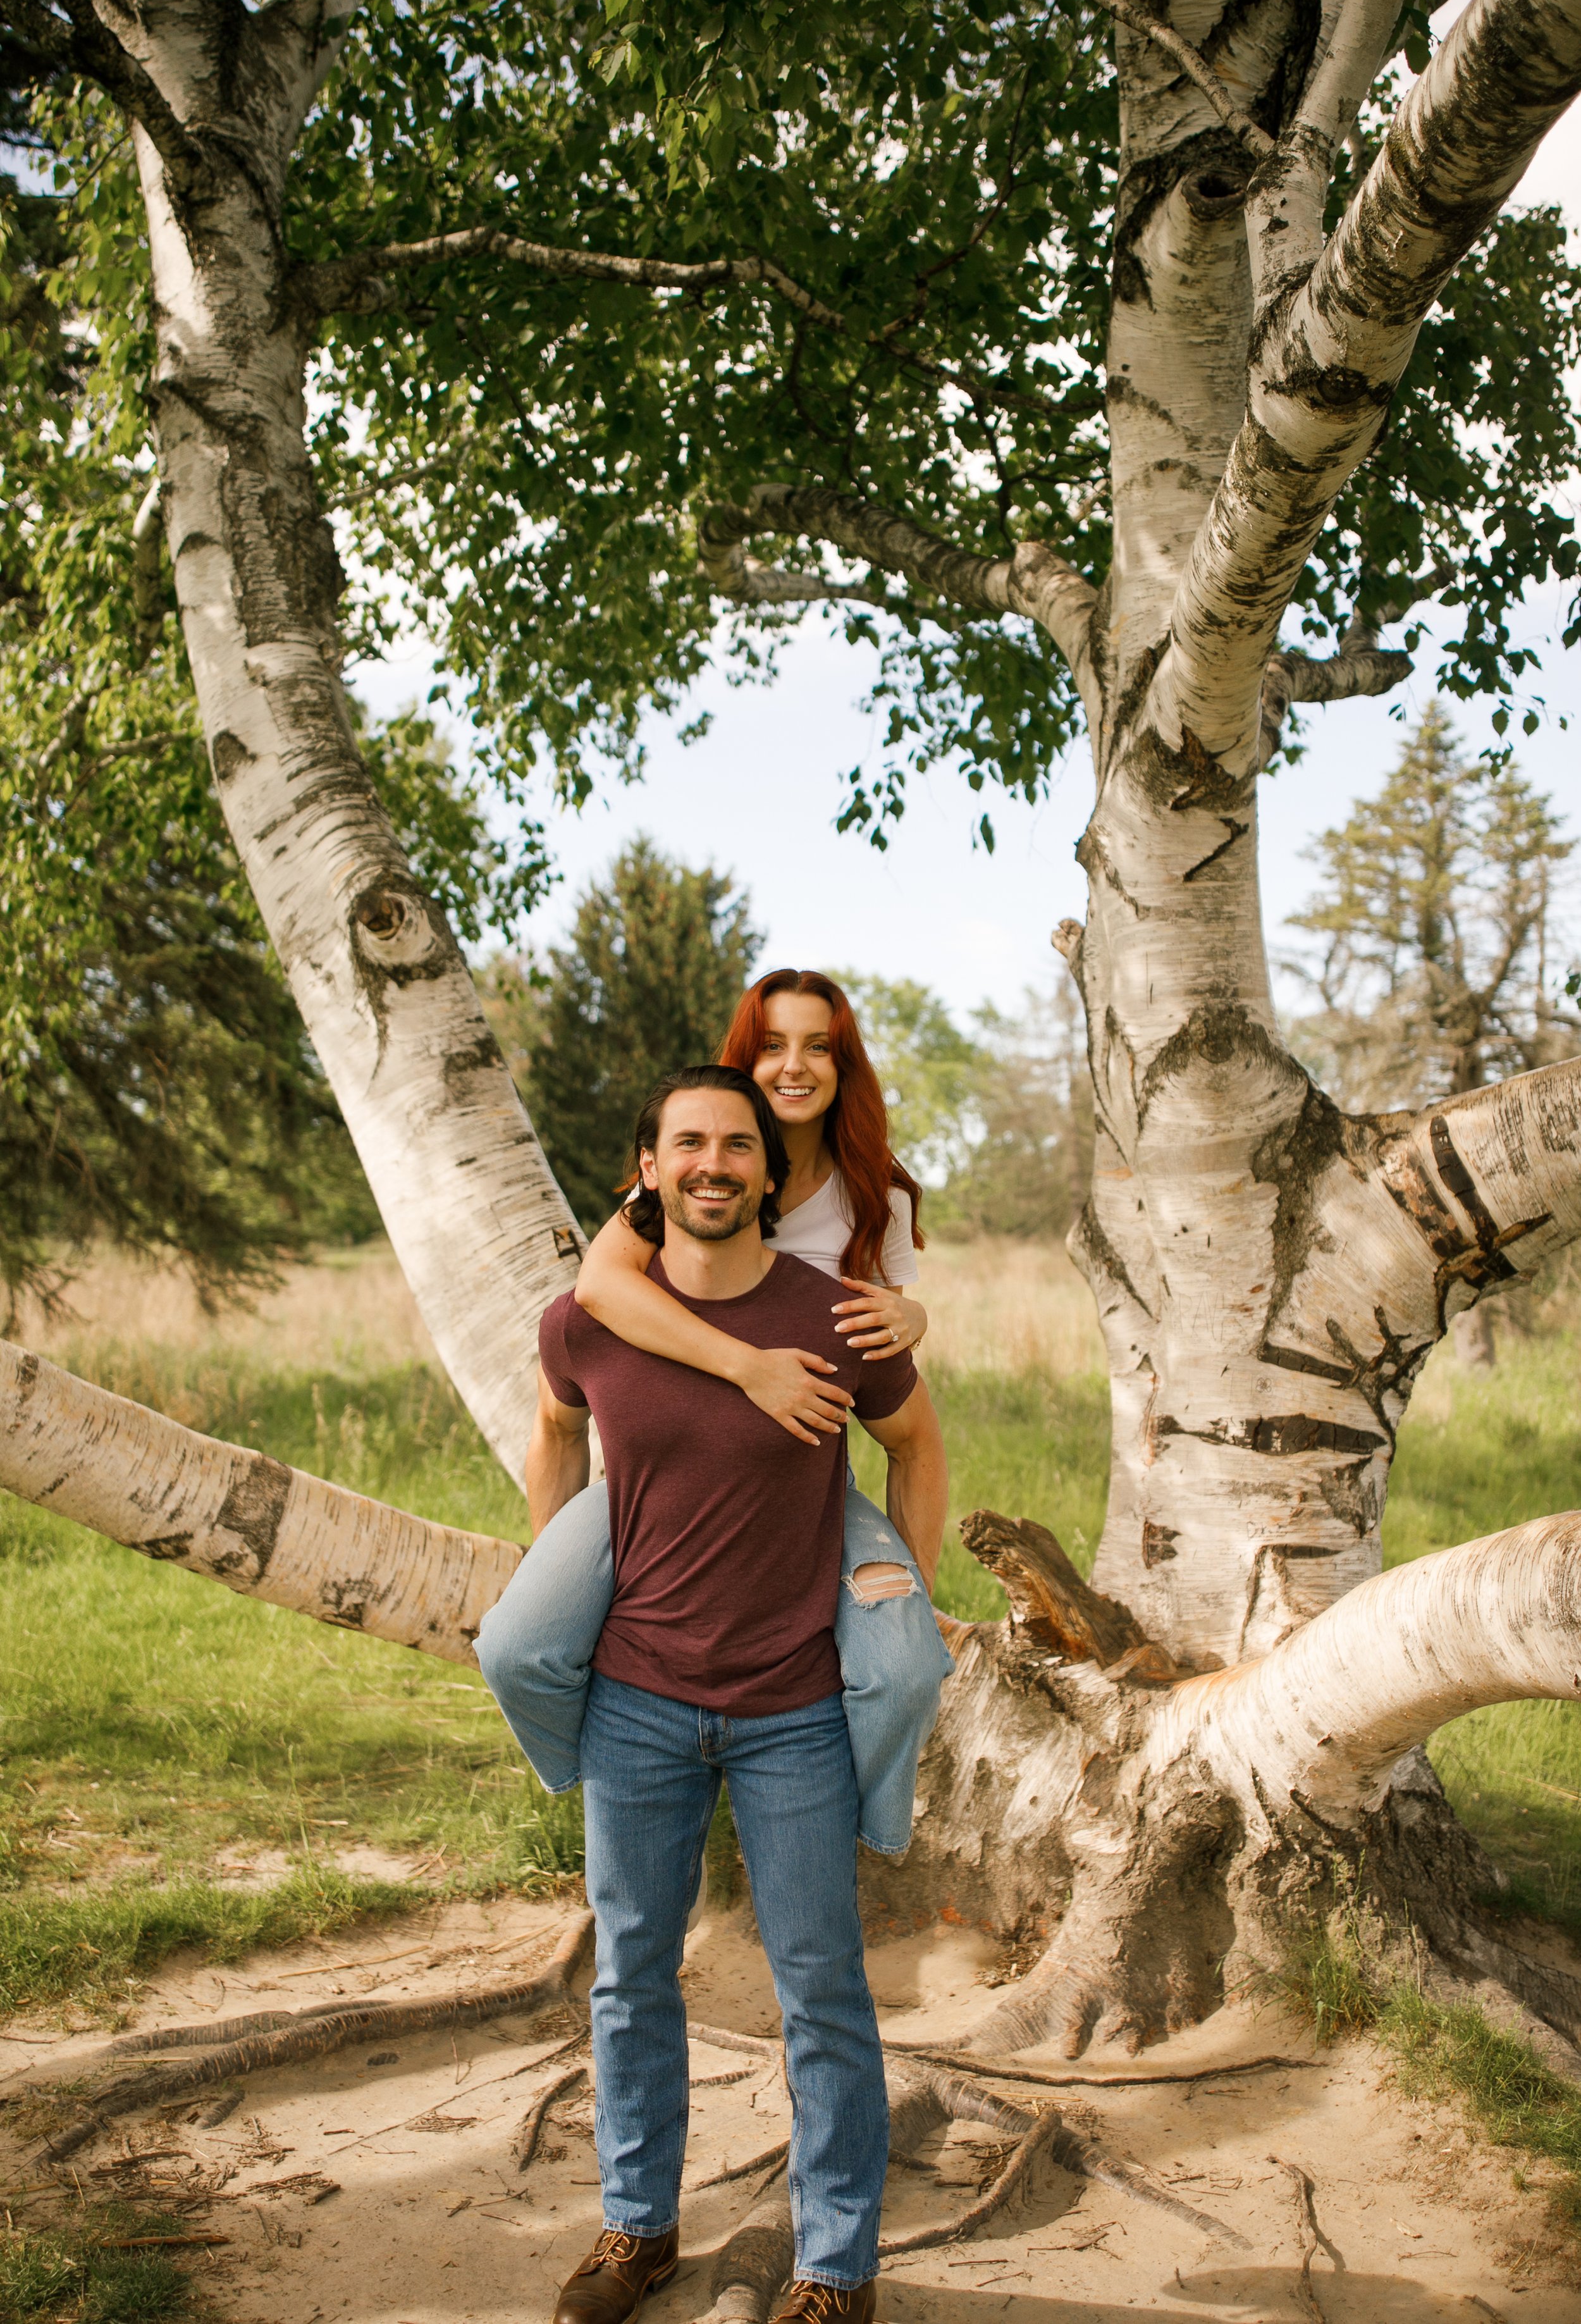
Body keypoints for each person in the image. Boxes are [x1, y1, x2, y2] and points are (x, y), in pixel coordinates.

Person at [502, 1065, 948, 2324]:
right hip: (635, 1701)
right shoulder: (586, 1319)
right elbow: (554, 1427)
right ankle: (635, 2231)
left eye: (736, 1147)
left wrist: (896, 1582)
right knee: (632, 1966)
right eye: (686, 1144)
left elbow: (913, 1445)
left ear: (768, 1173)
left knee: (820, 1982)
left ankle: (834, 2269)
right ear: (645, 1171)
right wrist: (560, 1566)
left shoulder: (835, 1317)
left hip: (793, 1706)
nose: (712, 1165)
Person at [476, 970, 955, 1857]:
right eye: (773, 1044)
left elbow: (887, 1354)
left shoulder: (874, 1196)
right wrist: (747, 1368)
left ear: (847, 1067)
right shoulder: (696, 1172)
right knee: (518, 1643)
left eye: (819, 1046)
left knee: (901, 1665)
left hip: (802, 1481)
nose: (795, 1064)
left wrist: (902, 1594)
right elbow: (600, 1286)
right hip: (658, 1474)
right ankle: (607, 1763)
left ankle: (866, 1827)